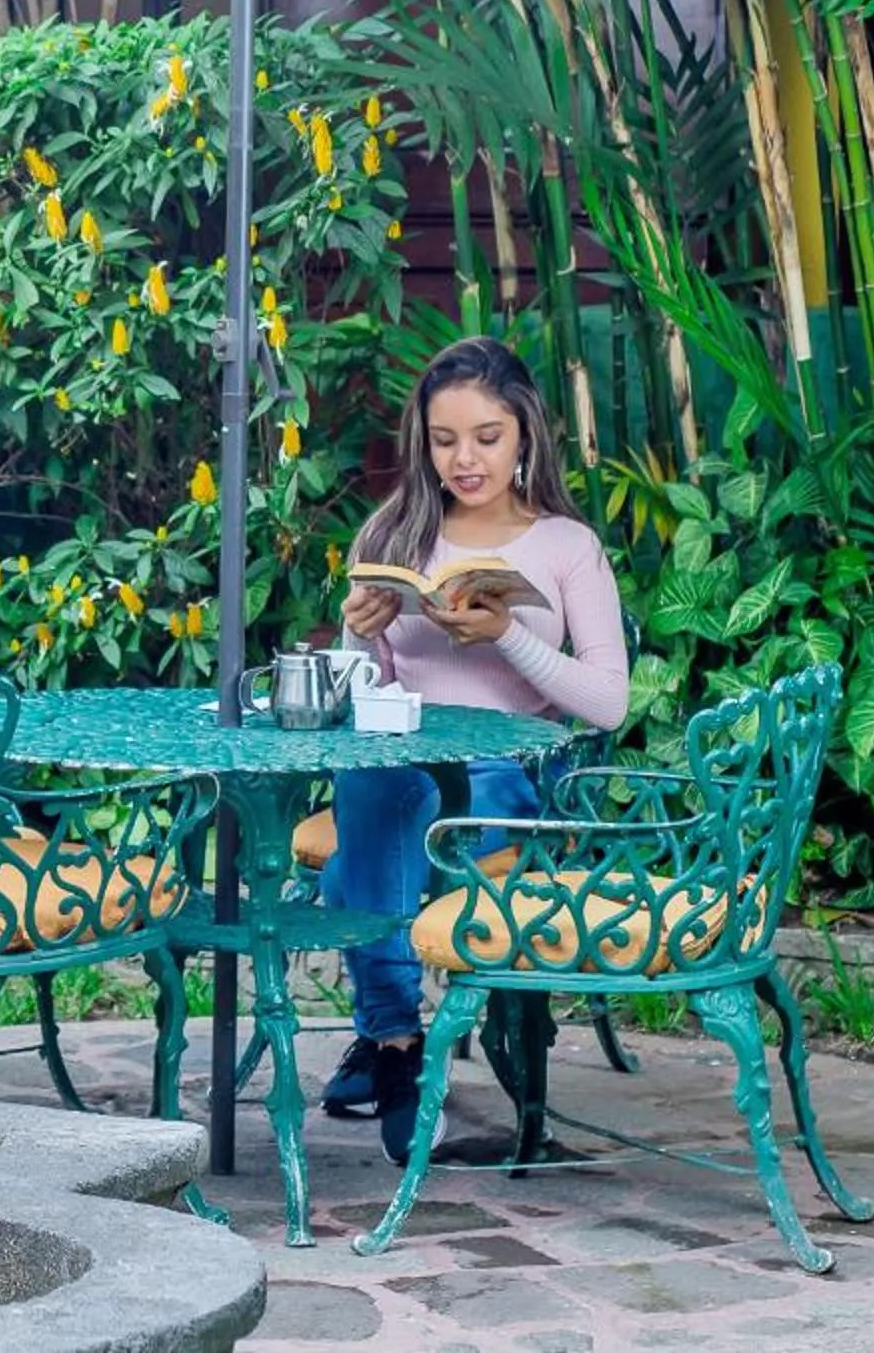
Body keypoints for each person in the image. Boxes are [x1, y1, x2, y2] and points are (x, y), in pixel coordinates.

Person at [315, 336, 628, 1163]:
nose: (465, 459)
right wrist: (358, 629)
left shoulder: (566, 547)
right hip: (397, 764)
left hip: (510, 783)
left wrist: (506, 640)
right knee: (378, 787)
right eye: (445, 439)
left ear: (525, 432)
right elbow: (358, 700)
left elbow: (608, 699)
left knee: (347, 873)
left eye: (487, 438)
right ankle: (396, 1048)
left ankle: (383, 1042)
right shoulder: (395, 532)